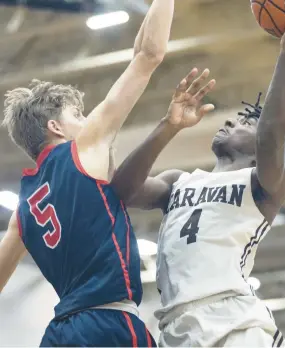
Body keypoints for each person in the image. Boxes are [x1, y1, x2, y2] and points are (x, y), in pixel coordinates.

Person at [112, 0, 285, 346]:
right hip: (177, 328)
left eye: (246, 121)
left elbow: (272, 133)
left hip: (236, 323)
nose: (231, 119)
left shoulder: (264, 184)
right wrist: (167, 127)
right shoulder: (176, 183)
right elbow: (120, 192)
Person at [0, 0, 179, 345]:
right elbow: (149, 56)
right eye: (77, 116)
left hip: (60, 334)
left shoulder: (22, 212)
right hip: (108, 322)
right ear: (56, 127)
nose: (87, 121)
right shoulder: (82, 150)